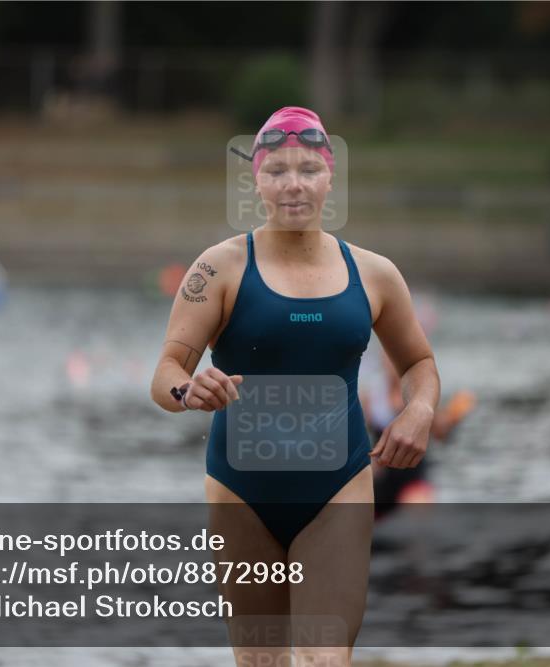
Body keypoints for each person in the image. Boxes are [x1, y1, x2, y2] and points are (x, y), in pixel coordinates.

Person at [150, 106, 439, 667]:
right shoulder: (218, 269)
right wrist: (190, 391)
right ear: (256, 180)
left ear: (330, 178)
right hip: (240, 492)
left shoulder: (374, 273)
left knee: (324, 659)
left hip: (338, 487)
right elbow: (166, 373)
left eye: (308, 169)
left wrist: (419, 409)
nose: (293, 185)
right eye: (277, 170)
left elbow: (419, 362)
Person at [362, 348, 476, 517]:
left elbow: (440, 433)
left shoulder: (419, 399)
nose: (393, 365)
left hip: (413, 479)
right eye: (389, 359)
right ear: (383, 362)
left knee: (417, 513)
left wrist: (454, 417)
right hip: (381, 477)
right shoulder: (371, 399)